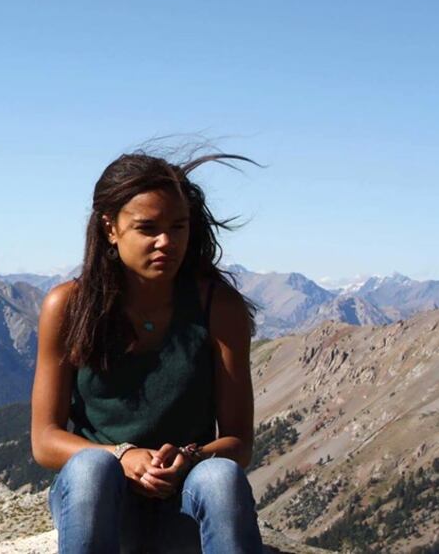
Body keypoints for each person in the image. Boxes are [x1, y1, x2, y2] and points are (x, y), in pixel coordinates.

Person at [30, 149, 265, 554]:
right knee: (90, 468)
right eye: (147, 228)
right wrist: (123, 455)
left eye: (178, 226)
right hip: (102, 500)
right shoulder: (67, 306)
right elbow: (45, 441)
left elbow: (238, 442)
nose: (166, 242)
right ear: (110, 228)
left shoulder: (218, 309)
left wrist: (189, 458)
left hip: (183, 500)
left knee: (220, 478)